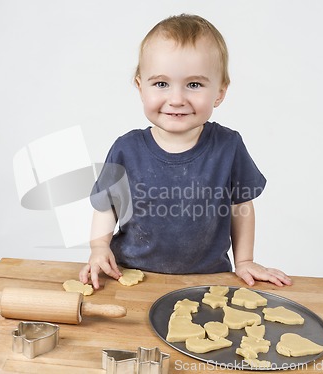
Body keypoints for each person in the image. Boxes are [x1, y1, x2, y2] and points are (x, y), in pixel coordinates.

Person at [79, 14, 292, 289]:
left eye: (194, 85)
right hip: (131, 277)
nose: (177, 99)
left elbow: (241, 206)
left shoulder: (229, 146)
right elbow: (106, 205)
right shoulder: (126, 149)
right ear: (140, 86)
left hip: (208, 281)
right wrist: (99, 248)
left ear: (220, 92)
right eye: (161, 84)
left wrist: (245, 261)